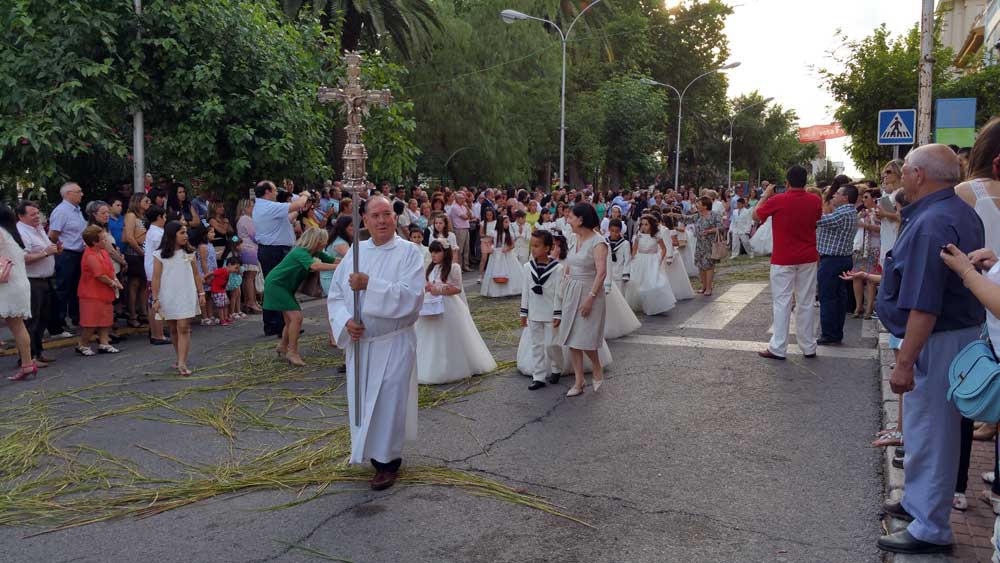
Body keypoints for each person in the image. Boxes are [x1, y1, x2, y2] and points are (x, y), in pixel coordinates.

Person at [875, 144, 986, 555]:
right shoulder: (954, 211)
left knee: (932, 432)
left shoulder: (933, 221)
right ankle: (918, 503)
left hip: (936, 339)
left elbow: (925, 302)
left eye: (904, 170)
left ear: (919, 175)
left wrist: (905, 362)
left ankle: (932, 527)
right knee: (924, 429)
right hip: (949, 336)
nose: (900, 176)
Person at [326, 196, 425, 491]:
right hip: (362, 342)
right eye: (375, 215)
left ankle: (387, 462)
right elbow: (336, 295)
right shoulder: (356, 252)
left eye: (387, 214)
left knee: (389, 401)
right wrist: (346, 321)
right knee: (362, 401)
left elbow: (412, 297)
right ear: (364, 220)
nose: (382, 220)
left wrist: (372, 284)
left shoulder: (409, 253)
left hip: (393, 341)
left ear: (395, 218)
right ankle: (366, 451)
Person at [752, 165, 822, 361]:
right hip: (807, 256)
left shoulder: (778, 200)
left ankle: (778, 347)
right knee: (806, 302)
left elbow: (755, 216)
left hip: (783, 257)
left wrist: (765, 195)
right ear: (805, 181)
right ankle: (808, 346)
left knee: (782, 302)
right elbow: (817, 219)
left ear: (787, 182)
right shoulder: (815, 200)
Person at [416, 239, 495, 384]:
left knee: (449, 336)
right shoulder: (430, 267)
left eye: (437, 252)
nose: (433, 255)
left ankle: (453, 365)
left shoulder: (453, 268)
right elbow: (429, 283)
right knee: (429, 336)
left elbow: (457, 288)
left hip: (448, 305)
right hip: (432, 305)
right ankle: (429, 365)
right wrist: (428, 288)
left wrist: (439, 289)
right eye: (432, 252)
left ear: (445, 253)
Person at [263, 228, 339, 366]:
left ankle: (283, 346)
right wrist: (337, 267)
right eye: (323, 241)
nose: (325, 244)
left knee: (290, 320)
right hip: (277, 285)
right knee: (296, 317)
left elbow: (333, 259)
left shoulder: (314, 252)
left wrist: (350, 262)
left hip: (283, 286)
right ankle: (292, 352)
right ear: (317, 241)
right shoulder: (300, 252)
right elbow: (315, 266)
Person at [558, 203, 608, 397]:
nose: (568, 221)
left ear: (581, 219)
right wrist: (564, 283)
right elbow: (570, 263)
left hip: (590, 291)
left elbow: (601, 272)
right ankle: (579, 381)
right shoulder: (574, 238)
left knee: (584, 336)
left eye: (571, 217)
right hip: (572, 290)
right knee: (571, 336)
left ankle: (596, 366)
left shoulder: (598, 242)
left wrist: (590, 298)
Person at [253, 180, 309, 336]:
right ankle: (278, 325)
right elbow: (297, 204)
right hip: (273, 251)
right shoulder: (267, 206)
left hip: (274, 249)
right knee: (278, 286)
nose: (277, 192)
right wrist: (304, 195)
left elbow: (288, 218)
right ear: (267, 192)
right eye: (274, 190)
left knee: (277, 286)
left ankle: (280, 324)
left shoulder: (266, 207)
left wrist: (299, 210)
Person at [151, 221, 204, 376]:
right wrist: (155, 298)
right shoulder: (160, 255)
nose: (185, 236)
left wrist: (201, 293)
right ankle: (179, 357)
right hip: (168, 294)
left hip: (186, 293)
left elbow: (195, 274)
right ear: (171, 235)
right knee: (173, 328)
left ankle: (182, 362)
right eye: (182, 233)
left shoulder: (189, 253)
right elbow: (156, 278)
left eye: (186, 232)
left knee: (183, 326)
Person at [518, 230, 564, 390]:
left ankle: (557, 367)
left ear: (547, 248)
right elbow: (525, 291)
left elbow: (559, 293)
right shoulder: (527, 267)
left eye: (537, 246)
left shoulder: (557, 268)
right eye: (532, 246)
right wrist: (523, 313)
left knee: (552, 345)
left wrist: (558, 313)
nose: (533, 249)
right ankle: (539, 377)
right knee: (536, 345)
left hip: (551, 313)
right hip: (534, 313)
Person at [815, 184, 859, 345]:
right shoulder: (848, 212)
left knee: (828, 297)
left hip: (833, 260)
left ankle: (829, 333)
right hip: (842, 258)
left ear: (845, 198)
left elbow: (819, 220)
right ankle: (835, 332)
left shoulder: (843, 212)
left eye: (837, 194)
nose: (833, 196)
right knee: (839, 297)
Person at [15, 202, 57, 367]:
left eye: (37, 213)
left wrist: (52, 250)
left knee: (43, 318)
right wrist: (46, 252)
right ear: (21, 216)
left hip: (45, 279)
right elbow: (23, 258)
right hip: (32, 280)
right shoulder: (21, 232)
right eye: (32, 214)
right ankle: (27, 357)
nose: (37, 217)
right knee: (32, 320)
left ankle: (38, 352)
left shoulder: (38, 229)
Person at [0, 204, 37, 381]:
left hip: (5, 286)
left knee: (16, 326)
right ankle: (28, 364)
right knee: (18, 326)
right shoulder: (14, 235)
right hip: (19, 284)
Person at [75, 225, 122, 357]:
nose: (105, 241)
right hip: (91, 293)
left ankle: (104, 342)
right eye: (103, 239)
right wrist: (113, 283)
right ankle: (82, 344)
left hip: (104, 292)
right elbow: (99, 275)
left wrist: (115, 279)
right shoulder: (90, 255)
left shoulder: (102, 252)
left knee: (105, 319)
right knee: (90, 322)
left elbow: (110, 270)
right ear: (94, 242)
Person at [48, 182, 87, 337]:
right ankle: (58, 324)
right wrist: (59, 248)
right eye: (79, 191)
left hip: (79, 253)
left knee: (76, 289)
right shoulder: (62, 211)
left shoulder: (77, 210)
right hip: (67, 254)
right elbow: (53, 235)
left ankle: (76, 319)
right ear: (68, 194)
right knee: (63, 289)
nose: (82, 194)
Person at [626, 215, 676, 315]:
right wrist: (633, 259)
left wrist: (659, 259)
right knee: (637, 283)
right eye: (642, 224)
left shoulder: (656, 235)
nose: (644, 227)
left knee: (653, 283)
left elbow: (664, 249)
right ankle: (640, 304)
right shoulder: (638, 235)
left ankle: (654, 305)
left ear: (651, 225)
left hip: (652, 261)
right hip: (640, 260)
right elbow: (634, 249)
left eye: (646, 224)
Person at [851, 189, 881, 319]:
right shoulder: (861, 212)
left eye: (866, 197)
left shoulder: (879, 213)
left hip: (873, 247)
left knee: (870, 278)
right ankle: (859, 306)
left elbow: (882, 229)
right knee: (856, 277)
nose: (863, 200)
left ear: (874, 199)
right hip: (859, 247)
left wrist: (867, 225)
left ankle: (869, 307)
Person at [143, 206, 170, 345]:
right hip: (156, 271)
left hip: (152, 271)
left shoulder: (153, 232)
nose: (165, 219)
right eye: (164, 216)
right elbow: (164, 253)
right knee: (158, 302)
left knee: (152, 302)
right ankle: (158, 334)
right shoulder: (157, 234)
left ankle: (155, 332)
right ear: (159, 217)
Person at [122, 194, 150, 328]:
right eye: (146, 201)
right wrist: (141, 252)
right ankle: (132, 314)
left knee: (144, 285)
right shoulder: (131, 216)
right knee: (134, 285)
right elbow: (128, 237)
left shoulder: (143, 217)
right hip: (134, 254)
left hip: (144, 253)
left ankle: (143, 312)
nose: (148, 203)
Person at [689, 197, 725, 296]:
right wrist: (675, 214)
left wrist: (709, 231)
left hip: (710, 244)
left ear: (705, 206)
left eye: (699, 203)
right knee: (700, 265)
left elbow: (721, 227)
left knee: (708, 265)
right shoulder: (698, 215)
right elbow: (687, 219)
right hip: (700, 244)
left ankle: (709, 287)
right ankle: (704, 286)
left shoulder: (714, 215)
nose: (697, 205)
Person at [480, 216, 522, 298]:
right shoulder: (494, 233)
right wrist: (490, 248)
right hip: (496, 255)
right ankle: (495, 291)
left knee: (509, 271)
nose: (507, 224)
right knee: (495, 270)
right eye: (505, 222)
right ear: (500, 223)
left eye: (508, 222)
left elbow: (512, 245)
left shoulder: (508, 234)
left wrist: (507, 248)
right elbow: (487, 241)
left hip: (507, 255)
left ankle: (512, 289)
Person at [235, 198, 261, 314]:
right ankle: (251, 301)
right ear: (245, 208)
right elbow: (255, 235)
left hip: (246, 249)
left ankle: (252, 301)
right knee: (250, 277)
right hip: (250, 249)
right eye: (251, 207)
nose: (254, 209)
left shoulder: (241, 219)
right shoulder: (246, 219)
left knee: (249, 277)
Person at [662, 216, 696, 301]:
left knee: (674, 274)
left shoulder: (671, 231)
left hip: (671, 253)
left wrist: (669, 243)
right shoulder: (660, 231)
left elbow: (676, 243)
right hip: (664, 253)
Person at [320, 216, 353, 295]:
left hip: (334, 277)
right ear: (343, 227)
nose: (354, 228)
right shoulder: (340, 243)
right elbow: (354, 259)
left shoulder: (337, 239)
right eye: (351, 225)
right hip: (332, 279)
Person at [448, 192, 474, 272]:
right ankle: (459, 266)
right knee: (460, 249)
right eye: (461, 198)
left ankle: (465, 266)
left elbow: (471, 216)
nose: (464, 200)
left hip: (466, 228)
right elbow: (465, 217)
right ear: (457, 199)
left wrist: (467, 208)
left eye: (464, 198)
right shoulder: (455, 207)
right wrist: (468, 214)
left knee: (466, 248)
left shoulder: (463, 207)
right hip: (459, 229)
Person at [605, 219, 631, 292]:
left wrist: (625, 274)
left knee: (620, 295)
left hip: (619, 275)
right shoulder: (605, 242)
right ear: (609, 229)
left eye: (617, 231)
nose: (614, 233)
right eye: (612, 230)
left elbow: (627, 259)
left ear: (620, 231)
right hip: (607, 274)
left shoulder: (625, 243)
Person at [478, 207, 498, 282]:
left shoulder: (496, 222)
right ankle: (480, 276)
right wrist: (487, 235)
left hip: (493, 242)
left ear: (493, 214)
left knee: (494, 259)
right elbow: (481, 234)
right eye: (487, 215)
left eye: (490, 215)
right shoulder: (483, 223)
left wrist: (493, 236)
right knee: (483, 259)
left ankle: (493, 275)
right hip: (484, 242)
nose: (489, 216)